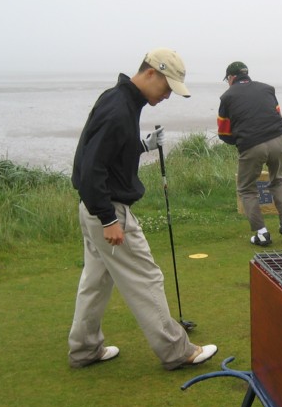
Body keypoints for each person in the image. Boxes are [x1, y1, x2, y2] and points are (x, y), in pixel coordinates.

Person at [68, 48, 217, 370]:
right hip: (107, 209)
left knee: (96, 282)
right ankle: (178, 351)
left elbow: (110, 152)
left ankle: (84, 349)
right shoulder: (119, 109)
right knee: (146, 278)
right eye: (167, 87)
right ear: (151, 72)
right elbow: (91, 167)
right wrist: (108, 218)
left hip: (95, 208)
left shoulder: (120, 100)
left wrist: (142, 145)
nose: (167, 96)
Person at [217, 61, 282, 246]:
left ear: (231, 77)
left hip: (252, 145)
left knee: (246, 188)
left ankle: (262, 233)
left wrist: (239, 142)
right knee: (278, 180)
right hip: (279, 138)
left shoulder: (227, 97)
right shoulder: (267, 89)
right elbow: (276, 114)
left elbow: (223, 132)